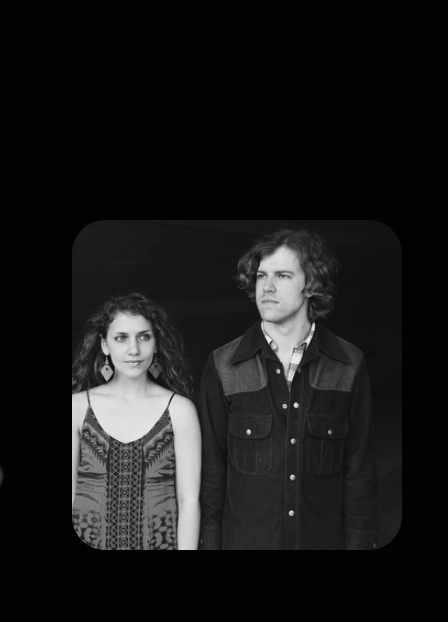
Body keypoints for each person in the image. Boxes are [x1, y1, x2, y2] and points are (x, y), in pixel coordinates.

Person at [197, 227, 376, 549]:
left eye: (282, 276)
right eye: (261, 276)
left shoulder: (349, 364)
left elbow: (358, 471)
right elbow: (211, 472)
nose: (266, 287)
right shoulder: (223, 365)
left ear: (311, 283)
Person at [70, 292, 201, 549]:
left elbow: (188, 502)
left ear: (156, 343)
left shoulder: (179, 410)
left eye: (144, 337)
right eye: (121, 338)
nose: (134, 350)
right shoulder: (77, 407)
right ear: (105, 345)